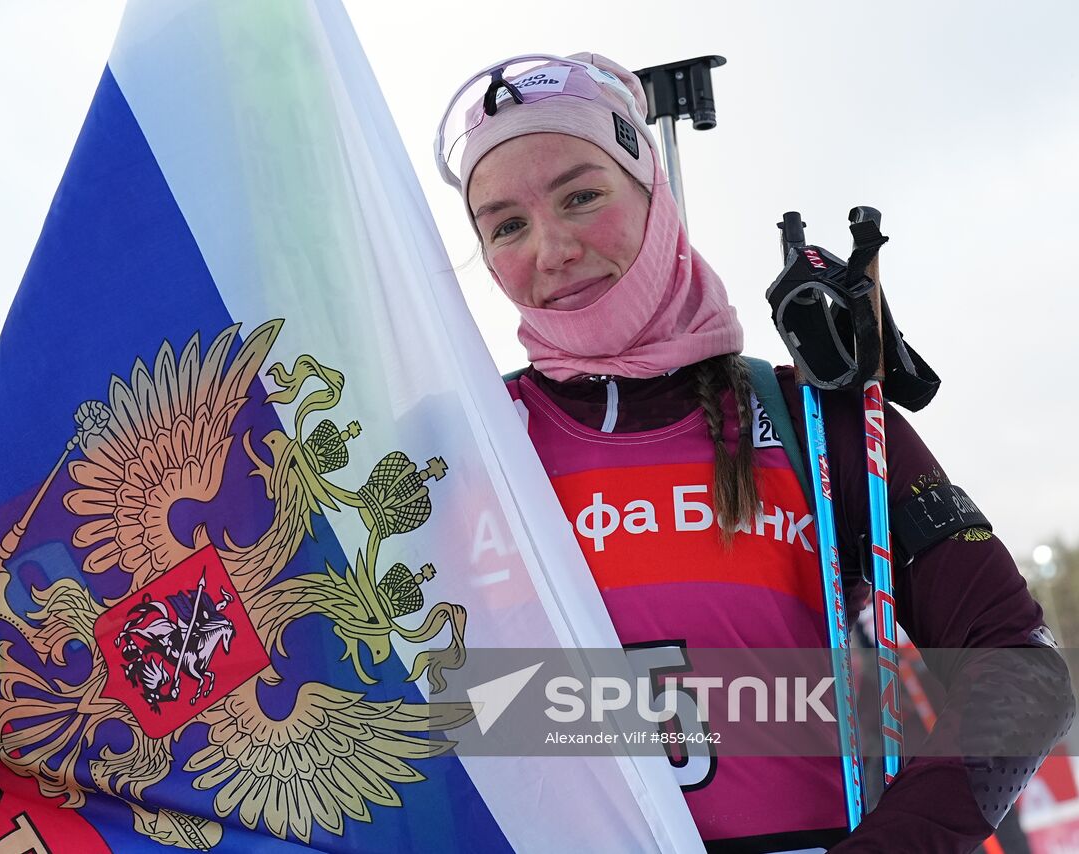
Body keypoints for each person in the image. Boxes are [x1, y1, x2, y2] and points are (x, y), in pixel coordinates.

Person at [433, 51, 1073, 852]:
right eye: (507, 225)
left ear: (653, 197)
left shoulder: (816, 420)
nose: (551, 247)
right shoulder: (458, 446)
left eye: (582, 195)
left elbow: (1017, 663)